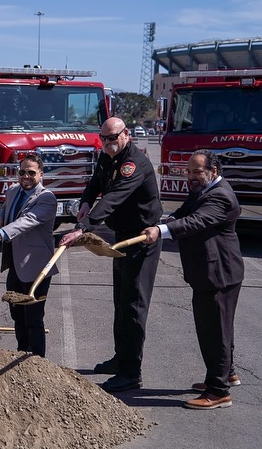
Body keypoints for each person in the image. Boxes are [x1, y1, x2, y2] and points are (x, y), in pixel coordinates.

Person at [59, 117, 162, 392]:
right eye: (103, 139)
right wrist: (84, 202)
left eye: (113, 138)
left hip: (141, 239)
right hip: (122, 237)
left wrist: (83, 227)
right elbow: (96, 185)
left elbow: (113, 197)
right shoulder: (107, 156)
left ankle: (131, 373)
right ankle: (121, 359)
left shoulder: (134, 164)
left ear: (126, 134)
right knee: (121, 301)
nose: (108, 143)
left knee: (134, 306)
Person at [141, 150, 243, 409]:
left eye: (196, 172)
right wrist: (170, 220)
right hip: (210, 272)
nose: (191, 177)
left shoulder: (220, 196)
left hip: (218, 274)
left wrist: (161, 231)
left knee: (215, 332)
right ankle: (225, 375)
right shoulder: (203, 189)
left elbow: (196, 221)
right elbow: (185, 212)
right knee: (221, 329)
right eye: (188, 171)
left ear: (214, 171)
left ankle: (218, 392)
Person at [0, 154, 57, 357]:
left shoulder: (47, 198)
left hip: (37, 266)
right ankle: (21, 353)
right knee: (16, 313)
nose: (26, 176)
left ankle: (37, 361)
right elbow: (7, 212)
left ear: (41, 175)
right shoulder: (12, 191)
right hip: (15, 264)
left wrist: (0, 234)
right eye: (22, 172)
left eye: (31, 173)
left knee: (33, 317)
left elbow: (26, 222)